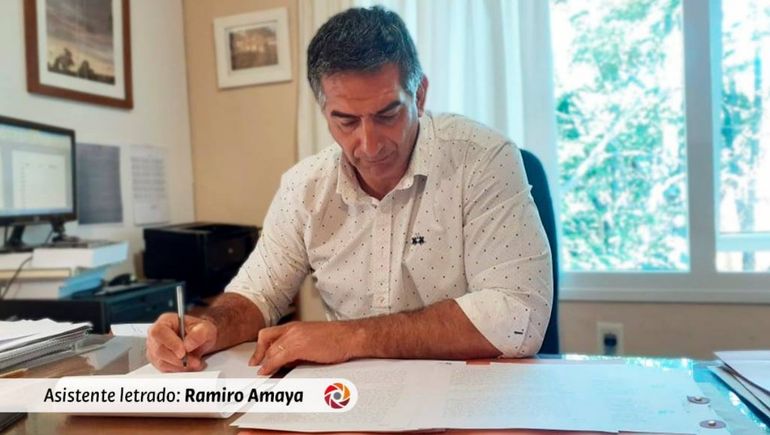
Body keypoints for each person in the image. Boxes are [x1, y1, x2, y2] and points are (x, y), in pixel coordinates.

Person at [146, 6, 552, 375]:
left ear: (419, 95)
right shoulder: (304, 188)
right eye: (346, 121)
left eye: (387, 114)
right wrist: (208, 328)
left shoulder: (482, 159)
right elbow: (257, 294)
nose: (369, 145)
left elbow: (519, 315)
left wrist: (351, 336)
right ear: (324, 112)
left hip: (466, 390)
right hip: (350, 399)